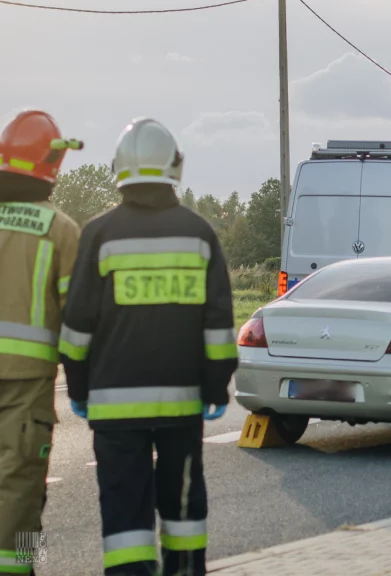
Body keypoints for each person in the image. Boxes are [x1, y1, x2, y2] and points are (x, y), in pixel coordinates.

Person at [59, 118, 238, 576]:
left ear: (119, 168)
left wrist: (78, 390)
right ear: (175, 166)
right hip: (181, 406)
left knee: (124, 518)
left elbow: (77, 327)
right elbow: (218, 327)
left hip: (114, 409)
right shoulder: (198, 234)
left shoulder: (98, 234)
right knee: (182, 509)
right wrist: (216, 391)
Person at [0, 111, 82, 575]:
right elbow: (77, 325)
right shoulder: (60, 230)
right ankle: (27, 567)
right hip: (27, 389)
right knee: (25, 491)